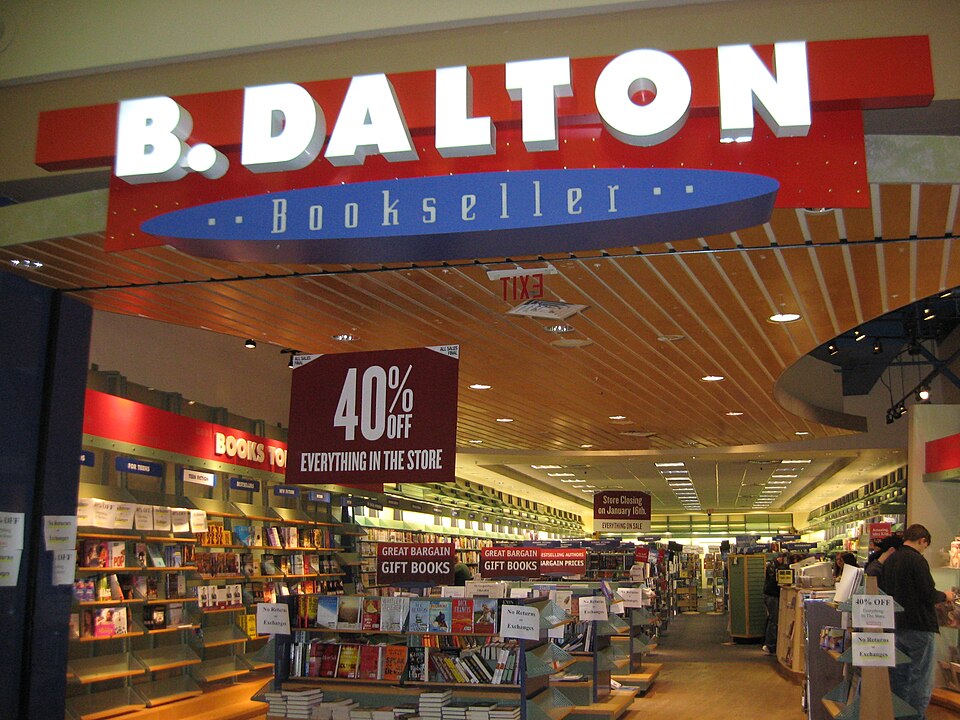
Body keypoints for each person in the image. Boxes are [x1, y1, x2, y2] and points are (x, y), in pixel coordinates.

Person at [879, 523, 956, 720]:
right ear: (922, 540)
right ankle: (914, 717)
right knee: (920, 678)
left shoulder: (891, 559)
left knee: (899, 676)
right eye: (925, 545)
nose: (924, 549)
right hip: (919, 626)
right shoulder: (917, 561)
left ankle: (898, 715)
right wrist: (945, 595)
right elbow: (927, 593)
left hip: (895, 625)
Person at [761, 554, 786, 655]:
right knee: (773, 620)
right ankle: (770, 645)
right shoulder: (774, 567)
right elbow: (775, 581)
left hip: (769, 594)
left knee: (771, 619)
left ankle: (768, 644)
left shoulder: (771, 565)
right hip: (772, 595)